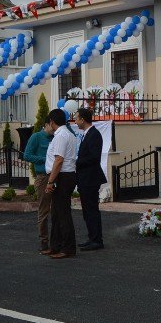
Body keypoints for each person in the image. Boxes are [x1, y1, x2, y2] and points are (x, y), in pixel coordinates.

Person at [44, 108, 78, 259]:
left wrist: (50, 181)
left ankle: (67, 248)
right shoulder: (66, 134)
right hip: (65, 175)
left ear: (52, 122)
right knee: (56, 214)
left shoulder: (61, 136)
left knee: (63, 214)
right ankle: (55, 246)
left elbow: (58, 160)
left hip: (62, 177)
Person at [74, 108, 107, 251]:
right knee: (87, 210)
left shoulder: (94, 134)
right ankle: (92, 237)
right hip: (85, 178)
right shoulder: (87, 134)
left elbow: (94, 157)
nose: (75, 121)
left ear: (83, 119)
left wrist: (76, 161)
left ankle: (97, 240)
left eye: (76, 118)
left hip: (90, 178)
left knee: (92, 210)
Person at [22, 121, 54, 252]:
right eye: (52, 125)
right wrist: (46, 159)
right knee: (44, 210)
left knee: (58, 209)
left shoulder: (56, 137)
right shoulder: (36, 137)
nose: (54, 128)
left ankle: (56, 239)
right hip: (43, 177)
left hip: (56, 175)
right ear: (46, 124)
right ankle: (44, 241)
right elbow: (26, 155)